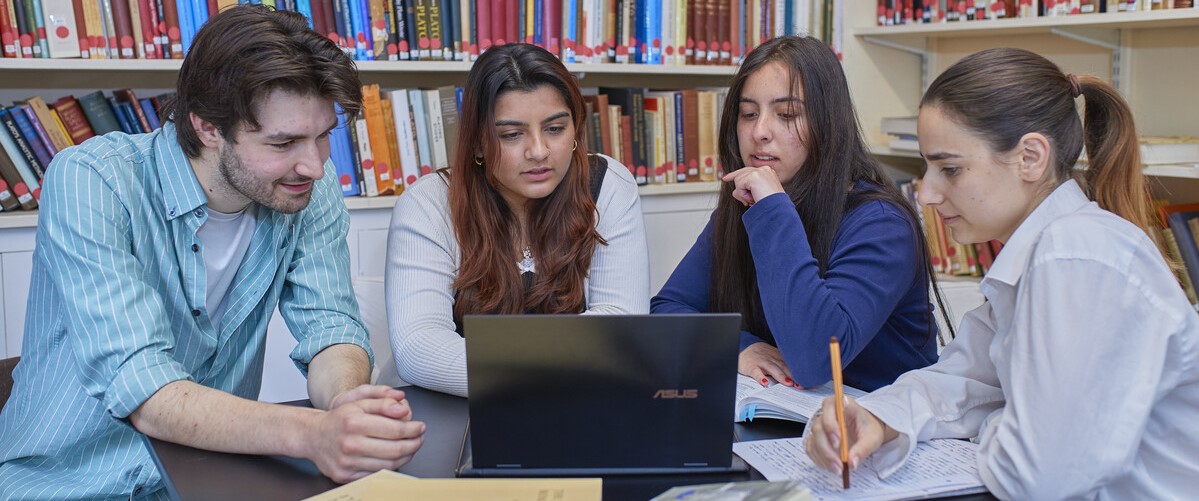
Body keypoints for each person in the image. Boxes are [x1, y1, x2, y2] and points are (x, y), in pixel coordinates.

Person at [0, 6, 426, 499]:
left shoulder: (306, 188)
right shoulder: (92, 180)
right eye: (284, 141)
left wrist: (350, 408)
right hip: (67, 484)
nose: (312, 165)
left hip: (207, 480)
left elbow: (331, 328)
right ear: (206, 127)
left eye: (323, 136)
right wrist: (312, 434)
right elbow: (144, 389)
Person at [805, 47, 1199, 498]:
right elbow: (962, 377)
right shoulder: (1040, 252)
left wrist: (996, 419)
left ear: (1030, 157)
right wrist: (876, 416)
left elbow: (1039, 477)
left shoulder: (1075, 255)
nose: (928, 194)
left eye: (949, 168)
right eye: (926, 168)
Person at [651, 36, 942, 392]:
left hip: (885, 430)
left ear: (828, 125)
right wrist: (739, 347)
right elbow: (668, 309)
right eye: (748, 114)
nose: (759, 132)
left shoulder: (882, 222)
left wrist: (774, 210)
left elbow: (817, 358)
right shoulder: (748, 204)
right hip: (790, 422)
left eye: (787, 115)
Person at [385, 43, 650, 397]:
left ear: (576, 129)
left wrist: (518, 371)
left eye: (555, 129)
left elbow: (621, 322)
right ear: (478, 142)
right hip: (463, 409)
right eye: (511, 135)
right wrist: (554, 371)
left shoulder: (607, 185)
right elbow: (419, 347)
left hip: (576, 402)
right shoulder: (428, 204)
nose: (538, 151)